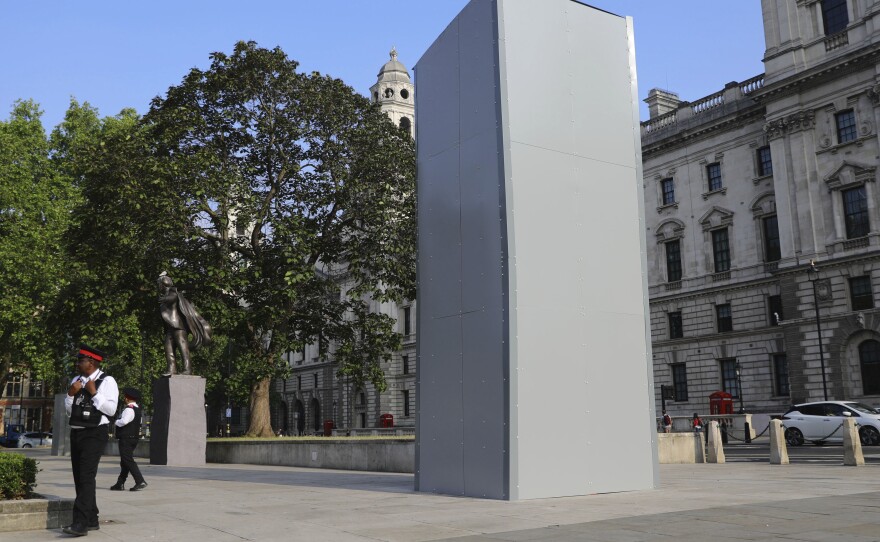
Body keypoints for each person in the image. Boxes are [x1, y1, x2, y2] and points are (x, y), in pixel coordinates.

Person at [63, 344, 119, 537]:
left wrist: (94, 392)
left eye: (81, 360)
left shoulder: (107, 381)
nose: (78, 364)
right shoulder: (76, 380)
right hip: (77, 431)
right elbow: (69, 411)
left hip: (95, 433)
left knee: (86, 476)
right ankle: (92, 518)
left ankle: (80, 523)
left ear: (92, 362)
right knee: (80, 476)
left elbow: (111, 410)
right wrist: (71, 393)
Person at [158, 273, 212, 376]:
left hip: (178, 327)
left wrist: (165, 299)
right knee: (168, 348)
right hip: (170, 328)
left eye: (159, 284)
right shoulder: (164, 295)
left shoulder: (173, 292)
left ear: (163, 284)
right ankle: (172, 369)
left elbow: (173, 298)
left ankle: (188, 369)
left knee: (183, 349)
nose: (158, 287)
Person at [111, 387, 147, 492]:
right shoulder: (137, 409)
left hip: (126, 439)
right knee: (125, 462)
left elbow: (124, 421)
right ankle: (120, 483)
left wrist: (115, 421)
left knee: (128, 460)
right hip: (133, 438)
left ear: (127, 398)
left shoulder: (129, 409)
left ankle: (140, 481)